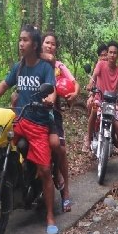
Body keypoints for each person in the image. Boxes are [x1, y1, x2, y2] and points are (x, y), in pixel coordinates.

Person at [0, 25, 60, 234]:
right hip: (19, 120)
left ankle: (50, 215)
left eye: (25, 40)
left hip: (38, 124)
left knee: (45, 171)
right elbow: (4, 85)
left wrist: (49, 100)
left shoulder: (44, 68)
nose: (21, 43)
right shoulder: (18, 67)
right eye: (20, 39)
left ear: (34, 44)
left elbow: (52, 90)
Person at [85, 41, 118, 176]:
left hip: (112, 102)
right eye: (110, 52)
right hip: (100, 99)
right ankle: (88, 139)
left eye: (115, 53)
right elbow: (94, 76)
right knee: (94, 110)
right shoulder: (100, 65)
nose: (112, 55)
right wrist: (90, 84)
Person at [41, 32, 76, 213]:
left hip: (52, 112)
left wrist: (74, 93)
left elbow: (73, 83)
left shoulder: (58, 66)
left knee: (60, 149)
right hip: (31, 112)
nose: (50, 46)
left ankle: (65, 192)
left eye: (53, 44)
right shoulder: (33, 63)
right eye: (47, 42)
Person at [82, 43, 110, 153]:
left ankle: (113, 137)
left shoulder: (113, 67)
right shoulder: (98, 66)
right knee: (92, 108)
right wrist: (91, 95)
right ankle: (88, 137)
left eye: (106, 54)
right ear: (99, 57)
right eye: (102, 55)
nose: (104, 57)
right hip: (98, 97)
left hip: (109, 100)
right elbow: (93, 81)